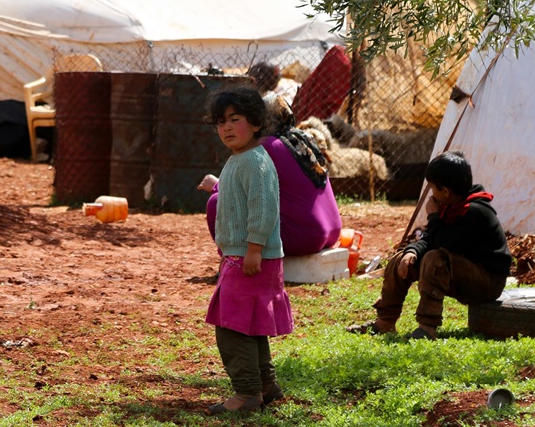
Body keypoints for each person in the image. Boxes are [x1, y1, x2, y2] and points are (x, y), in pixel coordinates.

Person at [347, 151, 510, 340]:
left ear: (446, 192)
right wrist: (412, 252)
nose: (432, 194)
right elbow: (431, 237)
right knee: (401, 259)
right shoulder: (451, 206)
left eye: (433, 189)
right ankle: (385, 322)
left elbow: (445, 243)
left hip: (487, 282)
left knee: (435, 259)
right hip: (460, 272)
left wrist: (433, 216)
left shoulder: (476, 212)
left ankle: (427, 327)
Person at [202, 86, 292, 415]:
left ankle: (246, 393)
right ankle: (266, 385)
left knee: (231, 327)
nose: (226, 128)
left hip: (251, 259)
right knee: (249, 324)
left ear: (255, 123)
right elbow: (241, 195)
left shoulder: (255, 161)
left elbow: (262, 208)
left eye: (234, 119)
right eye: (220, 122)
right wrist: (218, 186)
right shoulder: (242, 158)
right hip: (242, 257)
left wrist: (254, 248)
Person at [202, 74, 343, 257]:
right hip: (331, 231)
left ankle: (233, 262)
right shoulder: (300, 139)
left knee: (216, 202)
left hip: (305, 238)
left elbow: (234, 193)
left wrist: (214, 186)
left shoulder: (265, 146)